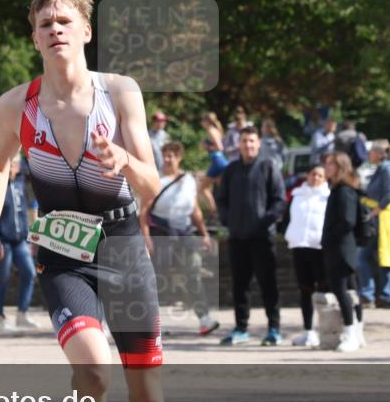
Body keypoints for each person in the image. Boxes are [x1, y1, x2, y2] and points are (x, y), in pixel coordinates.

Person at [0, 0, 175, 402]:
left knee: (148, 399)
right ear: (35, 38)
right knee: (92, 371)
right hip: (63, 251)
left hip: (123, 246)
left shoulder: (120, 92)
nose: (56, 30)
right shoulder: (18, 104)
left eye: (65, 22)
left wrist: (125, 164)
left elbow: (153, 184)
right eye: (45, 24)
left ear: (86, 31)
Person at [216, 126, 286, 346]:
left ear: (259, 143)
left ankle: (274, 329)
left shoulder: (268, 167)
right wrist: (228, 220)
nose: (248, 145)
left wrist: (264, 222)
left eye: (252, 141)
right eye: (245, 141)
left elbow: (279, 201)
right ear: (239, 144)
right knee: (240, 285)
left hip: (262, 237)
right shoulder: (231, 170)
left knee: (268, 284)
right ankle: (241, 328)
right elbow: (221, 199)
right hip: (238, 237)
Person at [140, 141, 218, 336]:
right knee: (158, 279)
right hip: (160, 231)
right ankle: (154, 323)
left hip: (184, 232)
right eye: (165, 155)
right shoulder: (155, 179)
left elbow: (194, 209)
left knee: (192, 273)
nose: (167, 159)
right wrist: (146, 237)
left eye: (171, 155)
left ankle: (204, 319)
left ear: (179, 158)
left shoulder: (188, 180)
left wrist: (204, 233)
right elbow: (144, 211)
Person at [0, 153, 39, 332]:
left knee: (29, 272)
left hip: (20, 240)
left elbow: (29, 210)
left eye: (15, 164)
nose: (12, 167)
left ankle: (22, 313)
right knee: (2, 277)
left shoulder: (21, 185)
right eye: (10, 164)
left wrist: (32, 238)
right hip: (3, 239)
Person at [321, 152, 364, 352]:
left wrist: (330, 236)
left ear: (340, 167)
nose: (327, 167)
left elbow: (348, 221)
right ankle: (356, 331)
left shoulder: (344, 191)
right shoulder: (338, 189)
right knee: (351, 292)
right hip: (339, 247)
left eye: (331, 164)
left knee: (343, 292)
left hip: (341, 248)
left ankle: (351, 333)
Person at [284, 164, 329, 348]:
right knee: (305, 290)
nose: (315, 178)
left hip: (319, 248)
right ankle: (308, 329)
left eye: (320, 175)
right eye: (313, 174)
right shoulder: (297, 195)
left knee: (324, 291)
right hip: (300, 247)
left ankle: (326, 329)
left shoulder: (328, 196)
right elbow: (289, 219)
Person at [357, 139, 390, 306]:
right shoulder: (382, 167)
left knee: (363, 256)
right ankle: (383, 295)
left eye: (370, 153)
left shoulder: (388, 168)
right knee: (382, 256)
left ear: (377, 154)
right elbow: (363, 171)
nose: (368, 156)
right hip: (380, 218)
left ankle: (372, 294)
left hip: (381, 219)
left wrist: (373, 213)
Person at [198, 112, 228, 217]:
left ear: (207, 121)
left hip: (217, 160)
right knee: (223, 190)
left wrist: (206, 146)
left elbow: (220, 147)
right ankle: (222, 213)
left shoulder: (211, 130)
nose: (201, 123)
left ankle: (214, 213)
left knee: (203, 188)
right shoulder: (216, 130)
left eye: (202, 120)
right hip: (220, 160)